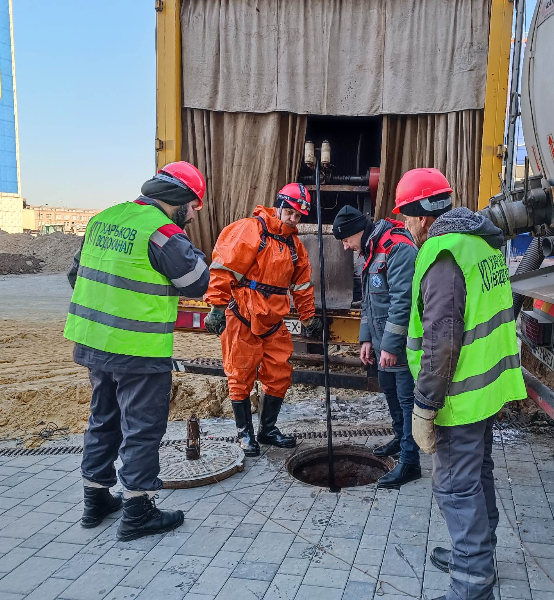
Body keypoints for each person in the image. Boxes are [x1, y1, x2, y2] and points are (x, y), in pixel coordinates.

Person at [396, 168, 526, 600]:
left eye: (407, 219)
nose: (407, 228)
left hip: (459, 398)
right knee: (477, 476)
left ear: (420, 216)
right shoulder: (479, 243)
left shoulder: (443, 253)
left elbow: (441, 343)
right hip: (488, 389)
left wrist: (424, 407)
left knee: (455, 487)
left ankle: (471, 587)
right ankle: (477, 558)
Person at [65, 161, 210, 541]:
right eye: (193, 205)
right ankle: (138, 510)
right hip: (138, 350)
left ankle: (95, 501)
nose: (193, 214)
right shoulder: (161, 233)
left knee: (103, 419)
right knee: (142, 430)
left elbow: (75, 275)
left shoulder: (104, 219)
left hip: (96, 343)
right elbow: (196, 283)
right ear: (178, 197)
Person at [204, 183, 323, 457]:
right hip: (242, 315)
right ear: (280, 206)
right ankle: (245, 434)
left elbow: (303, 285)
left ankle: (267, 430)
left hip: (273, 320)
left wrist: (308, 317)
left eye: (298, 216)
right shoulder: (250, 230)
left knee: (279, 375)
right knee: (240, 374)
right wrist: (217, 307)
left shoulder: (295, 246)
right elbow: (224, 268)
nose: (294, 220)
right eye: (291, 213)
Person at [332, 205, 420, 488]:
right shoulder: (368, 252)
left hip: (402, 344)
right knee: (389, 389)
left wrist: (392, 347)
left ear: (357, 232)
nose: (345, 247)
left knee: (407, 400)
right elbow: (369, 302)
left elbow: (402, 303)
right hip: (382, 341)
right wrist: (366, 338)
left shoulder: (399, 248)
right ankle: (399, 438)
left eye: (346, 240)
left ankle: (410, 462)